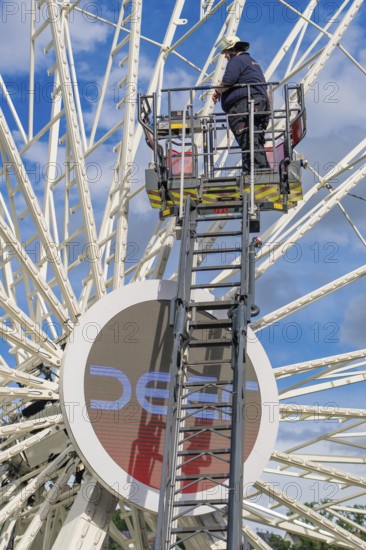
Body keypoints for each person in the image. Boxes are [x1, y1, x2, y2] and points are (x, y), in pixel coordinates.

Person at [212, 35, 270, 174]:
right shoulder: (252, 62)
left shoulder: (236, 61)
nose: (225, 56)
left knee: (248, 140)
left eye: (226, 53)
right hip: (260, 105)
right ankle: (261, 170)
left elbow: (228, 81)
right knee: (255, 139)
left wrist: (217, 91)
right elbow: (266, 90)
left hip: (245, 106)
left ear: (232, 50)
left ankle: (254, 173)